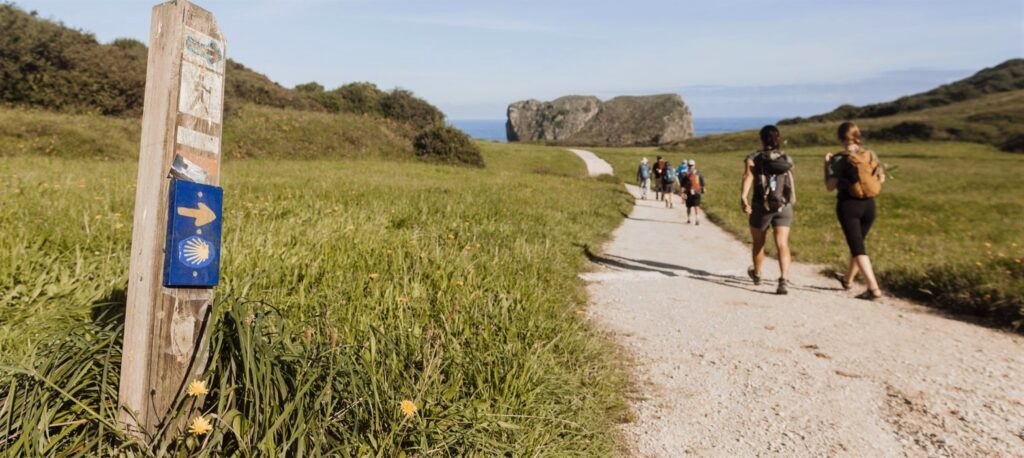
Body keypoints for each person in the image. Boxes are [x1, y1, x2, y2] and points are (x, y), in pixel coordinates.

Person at [825, 121, 885, 300]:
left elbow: (829, 186)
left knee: (858, 248)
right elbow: (880, 179)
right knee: (857, 244)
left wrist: (826, 166)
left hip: (849, 206)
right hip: (869, 205)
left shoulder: (839, 159)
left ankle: (873, 289)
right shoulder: (870, 154)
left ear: (840, 138)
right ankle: (848, 280)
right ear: (858, 136)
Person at [740, 125, 795, 295]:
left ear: (761, 139)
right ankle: (783, 279)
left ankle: (757, 274)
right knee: (782, 244)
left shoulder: (754, 157)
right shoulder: (786, 158)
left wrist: (743, 197)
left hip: (761, 206)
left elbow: (748, 176)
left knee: (758, 243)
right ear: (778, 138)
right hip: (783, 206)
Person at [681, 160, 705, 225]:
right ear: (694, 165)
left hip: (688, 192)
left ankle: (689, 219)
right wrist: (702, 189)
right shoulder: (699, 173)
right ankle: (697, 218)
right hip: (697, 192)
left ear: (688, 165)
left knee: (688, 207)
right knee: (696, 206)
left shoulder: (686, 174)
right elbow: (703, 183)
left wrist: (683, 194)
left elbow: (683, 185)